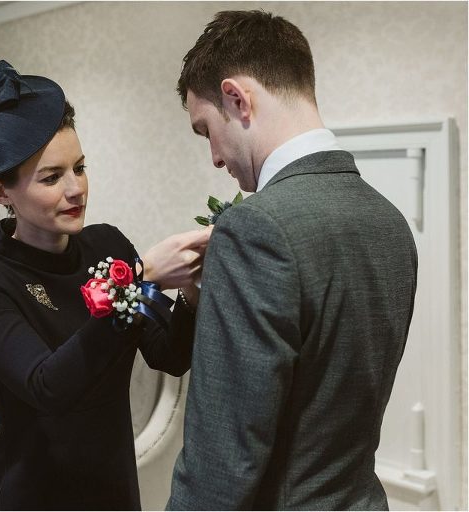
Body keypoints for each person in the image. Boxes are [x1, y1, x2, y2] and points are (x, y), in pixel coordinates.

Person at [167, 10, 418, 510]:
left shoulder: (254, 227)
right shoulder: (390, 220)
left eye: (205, 130)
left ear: (238, 99)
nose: (215, 156)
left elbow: (222, 459)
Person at [0, 60, 211, 511]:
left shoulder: (106, 244)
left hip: (114, 491)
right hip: (34, 496)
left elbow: (172, 355)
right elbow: (49, 387)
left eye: (80, 167)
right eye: (51, 177)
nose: (76, 189)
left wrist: (190, 288)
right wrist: (142, 276)